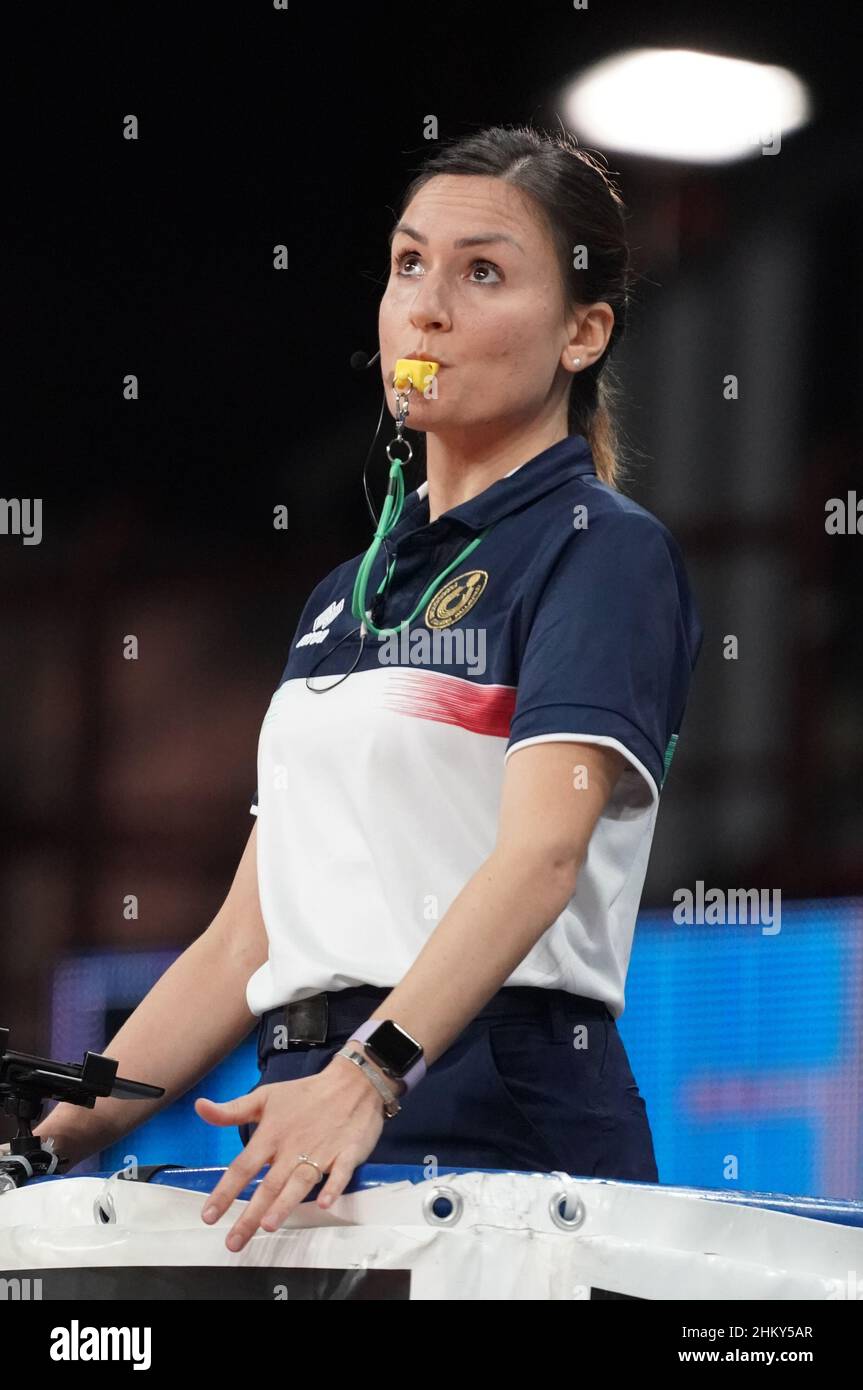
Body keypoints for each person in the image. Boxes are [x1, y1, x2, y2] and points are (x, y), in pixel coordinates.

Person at [31, 125, 702, 1253]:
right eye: (406, 265)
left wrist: (372, 1069)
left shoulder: (599, 548)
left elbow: (539, 856)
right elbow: (245, 941)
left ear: (582, 331)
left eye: (480, 272)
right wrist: (44, 1143)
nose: (424, 308)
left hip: (491, 1106)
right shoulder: (347, 591)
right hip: (305, 1114)